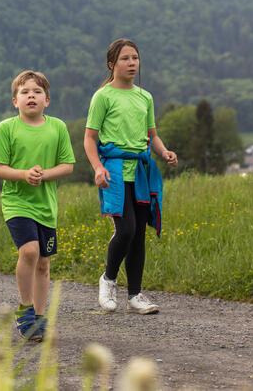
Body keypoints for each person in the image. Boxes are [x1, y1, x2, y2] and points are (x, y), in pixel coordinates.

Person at [84, 39, 178, 315]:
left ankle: (135, 295)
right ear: (112, 64)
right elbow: (90, 138)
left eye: (135, 58)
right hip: (113, 171)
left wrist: (164, 152)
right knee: (125, 230)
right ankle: (108, 279)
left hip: (141, 171)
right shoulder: (103, 97)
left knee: (138, 235)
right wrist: (97, 168)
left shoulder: (144, 97)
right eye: (125, 59)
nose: (132, 63)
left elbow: (152, 135)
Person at [0, 70, 75, 341]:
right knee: (29, 251)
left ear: (47, 100)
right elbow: (0, 169)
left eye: (37, 92)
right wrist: (24, 175)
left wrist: (44, 175)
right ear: (14, 101)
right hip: (16, 203)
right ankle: (25, 308)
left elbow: (68, 165)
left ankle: (40, 318)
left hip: (46, 206)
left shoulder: (58, 127)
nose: (31, 96)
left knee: (43, 263)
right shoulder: (6, 128)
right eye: (25, 92)